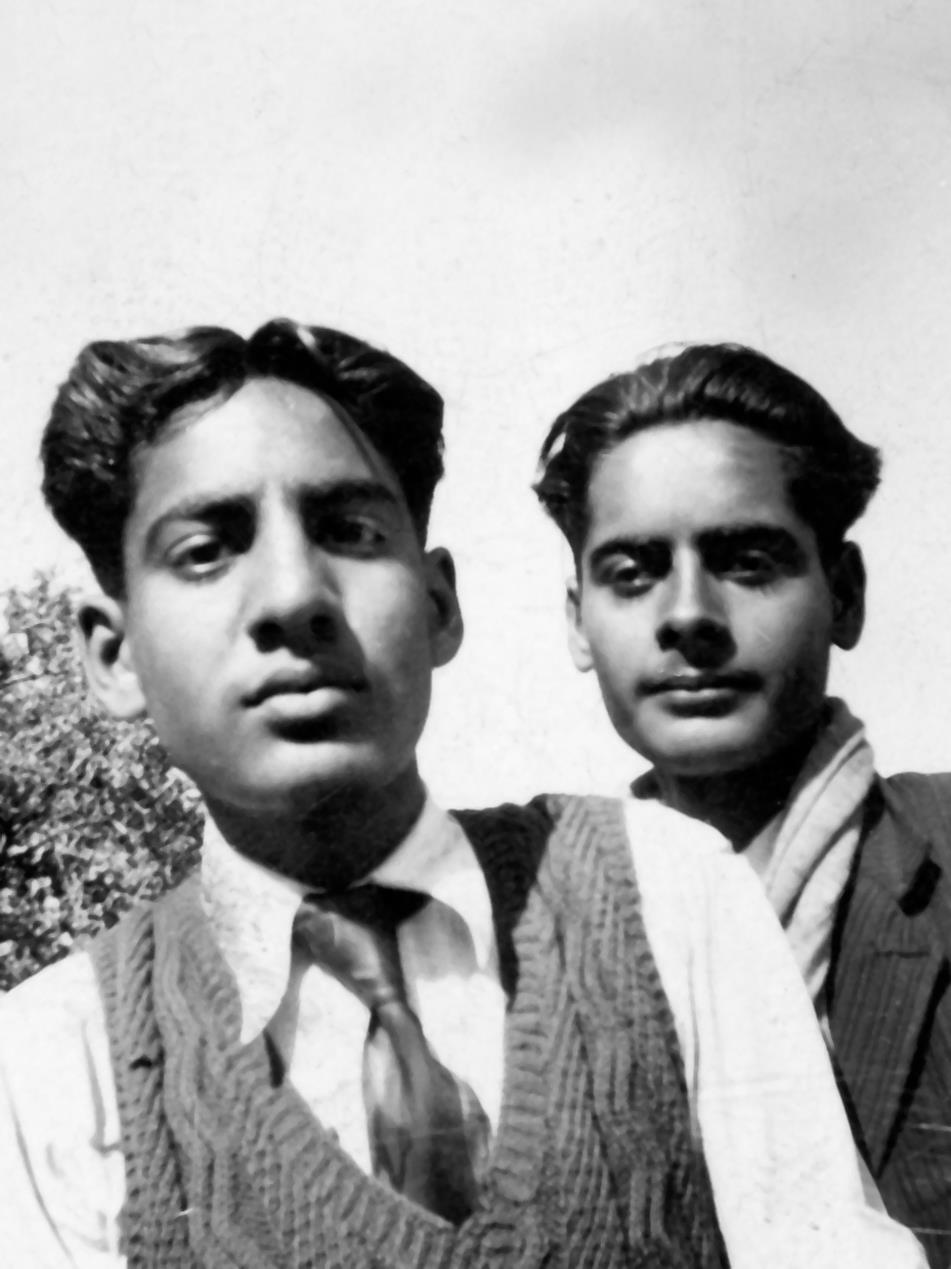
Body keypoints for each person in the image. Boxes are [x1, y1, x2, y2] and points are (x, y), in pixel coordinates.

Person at [0, 322, 923, 1269]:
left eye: (350, 532)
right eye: (205, 550)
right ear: (114, 654)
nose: (293, 596)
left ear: (439, 603)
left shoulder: (667, 892)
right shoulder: (57, 1065)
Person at [534, 341, 951, 1267]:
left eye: (746, 560)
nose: (687, 612)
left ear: (843, 593)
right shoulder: (533, 933)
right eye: (632, 571)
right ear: (576, 619)